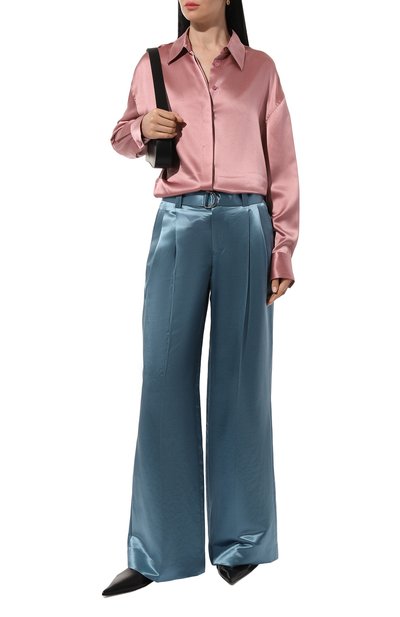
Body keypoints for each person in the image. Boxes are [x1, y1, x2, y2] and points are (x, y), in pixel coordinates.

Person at [102, 0, 300, 596]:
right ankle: (157, 549)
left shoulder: (260, 68)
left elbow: (283, 162)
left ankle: (242, 541)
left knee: (240, 381)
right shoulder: (153, 64)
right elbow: (120, 136)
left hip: (246, 224)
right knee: (163, 377)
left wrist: (283, 248)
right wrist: (144, 129)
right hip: (178, 223)